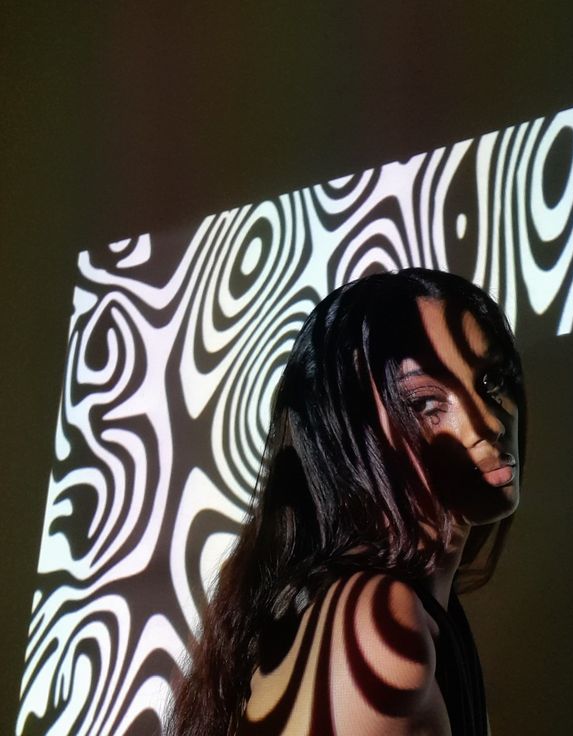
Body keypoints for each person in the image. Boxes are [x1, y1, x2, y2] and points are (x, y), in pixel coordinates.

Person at [168, 268, 526, 736]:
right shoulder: (374, 620)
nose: (490, 424)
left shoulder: (412, 610)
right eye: (425, 402)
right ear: (351, 435)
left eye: (493, 381)